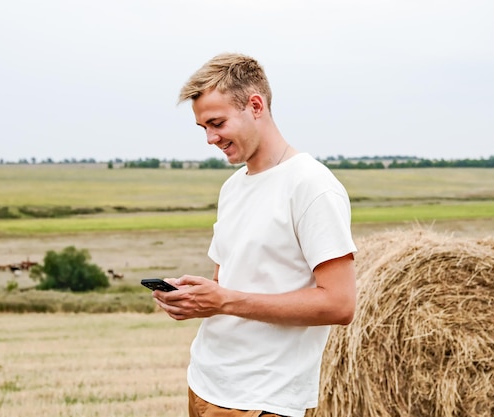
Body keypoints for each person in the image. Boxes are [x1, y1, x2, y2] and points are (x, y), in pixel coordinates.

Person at [152, 52, 357, 417]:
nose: (210, 138)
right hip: (204, 382)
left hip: (263, 401)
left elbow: (340, 304)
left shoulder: (312, 186)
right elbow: (228, 282)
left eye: (217, 123)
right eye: (203, 128)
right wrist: (194, 298)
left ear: (256, 105)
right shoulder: (232, 187)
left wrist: (224, 300)